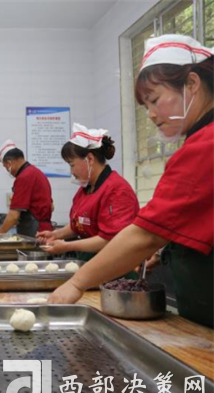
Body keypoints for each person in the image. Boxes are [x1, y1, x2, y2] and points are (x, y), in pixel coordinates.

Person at [49, 34, 213, 328]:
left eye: (155, 100)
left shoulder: (206, 145)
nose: (150, 114)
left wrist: (76, 283)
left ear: (191, 84)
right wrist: (165, 251)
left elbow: (144, 236)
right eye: (145, 106)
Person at [37, 123, 139, 266]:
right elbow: (80, 224)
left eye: (72, 164)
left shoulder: (116, 190)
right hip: (90, 261)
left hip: (115, 265)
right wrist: (55, 234)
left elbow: (110, 240)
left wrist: (67, 246)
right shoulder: (87, 188)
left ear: (90, 159)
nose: (71, 172)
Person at [0, 140, 53, 236]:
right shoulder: (36, 172)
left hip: (36, 234)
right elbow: (52, 206)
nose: (8, 171)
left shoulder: (24, 177)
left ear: (9, 163)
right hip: (44, 230)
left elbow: (14, 216)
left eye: (5, 167)